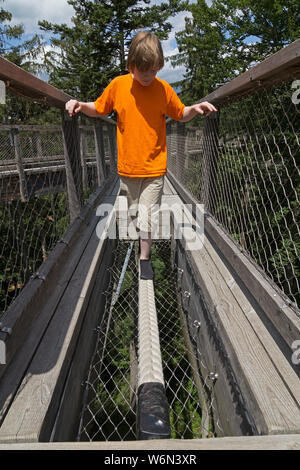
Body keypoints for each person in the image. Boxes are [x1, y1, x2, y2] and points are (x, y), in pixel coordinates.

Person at [65, 31, 217, 280]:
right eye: (142, 70)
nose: (148, 76)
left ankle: (144, 257)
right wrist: (80, 105)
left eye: (153, 71)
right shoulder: (119, 86)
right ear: (131, 65)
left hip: (155, 169)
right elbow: (99, 107)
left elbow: (180, 113)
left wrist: (195, 108)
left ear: (159, 67)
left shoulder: (163, 89)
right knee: (136, 214)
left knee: (148, 214)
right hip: (127, 170)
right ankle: (142, 240)